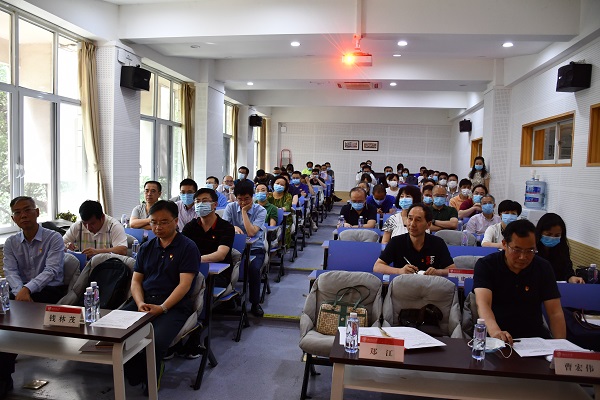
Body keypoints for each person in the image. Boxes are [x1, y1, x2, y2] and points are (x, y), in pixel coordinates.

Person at [121, 200, 201, 388]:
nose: (158, 227)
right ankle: (136, 371)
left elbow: (184, 285)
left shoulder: (188, 247)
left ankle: (152, 374)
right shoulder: (146, 247)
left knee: (154, 341)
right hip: (145, 300)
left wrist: (163, 307)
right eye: (154, 222)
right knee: (116, 330)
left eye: (164, 222)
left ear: (176, 221)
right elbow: (136, 281)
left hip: (174, 305)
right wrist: (139, 303)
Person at [0, 196, 66, 398]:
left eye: (27, 210)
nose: (23, 215)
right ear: (13, 218)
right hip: (20, 292)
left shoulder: (54, 238)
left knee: (13, 321)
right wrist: (20, 290)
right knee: (7, 318)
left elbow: (52, 270)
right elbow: (10, 271)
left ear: (37, 212)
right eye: (18, 212)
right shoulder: (11, 242)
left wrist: (27, 289)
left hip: (49, 290)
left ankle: (3, 378)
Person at [474, 219, 566, 344]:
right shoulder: (486, 265)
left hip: (534, 338)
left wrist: (561, 345)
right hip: (495, 336)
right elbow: (483, 304)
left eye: (530, 251)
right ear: (504, 244)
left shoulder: (543, 267)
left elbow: (555, 313)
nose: (523, 257)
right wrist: (496, 332)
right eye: (516, 250)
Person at [223, 181, 267, 317]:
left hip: (255, 249)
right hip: (234, 250)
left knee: (253, 270)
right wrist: (233, 227)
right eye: (240, 199)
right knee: (225, 267)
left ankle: (255, 303)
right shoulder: (230, 207)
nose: (243, 202)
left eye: (246, 199)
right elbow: (223, 227)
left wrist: (243, 212)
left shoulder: (260, 210)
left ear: (252, 197)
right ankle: (228, 297)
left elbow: (251, 232)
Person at [374, 203, 455, 276]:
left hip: (429, 285)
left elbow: (452, 270)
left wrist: (438, 272)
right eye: (410, 219)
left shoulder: (438, 243)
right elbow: (377, 267)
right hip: (404, 284)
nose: (412, 224)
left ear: (428, 224)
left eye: (418, 220)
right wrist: (399, 271)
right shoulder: (396, 241)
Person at [182, 188, 235, 287]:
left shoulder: (226, 227)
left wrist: (195, 260)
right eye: (197, 201)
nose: (200, 204)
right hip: (192, 270)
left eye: (205, 201)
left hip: (218, 274)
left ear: (215, 204)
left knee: (196, 286)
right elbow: (181, 249)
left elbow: (221, 255)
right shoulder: (190, 226)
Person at [63, 200, 128, 257]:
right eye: (85, 223)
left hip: (107, 265)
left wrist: (97, 252)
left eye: (92, 223)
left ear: (102, 217)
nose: (88, 227)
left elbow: (123, 250)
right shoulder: (77, 226)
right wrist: (66, 246)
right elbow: (60, 244)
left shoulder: (114, 226)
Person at [535, 213, 584, 284]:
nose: (552, 237)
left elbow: (567, 268)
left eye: (557, 235)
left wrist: (571, 277)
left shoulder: (562, 247)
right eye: (548, 234)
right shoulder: (531, 247)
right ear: (540, 232)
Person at [268, 176, 294, 248]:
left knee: (285, 230)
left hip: (285, 220)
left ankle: (283, 247)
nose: (279, 185)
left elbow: (287, 207)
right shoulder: (269, 195)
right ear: (273, 184)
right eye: (277, 183)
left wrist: (278, 209)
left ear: (285, 187)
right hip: (269, 218)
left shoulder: (288, 196)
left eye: (282, 185)